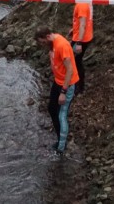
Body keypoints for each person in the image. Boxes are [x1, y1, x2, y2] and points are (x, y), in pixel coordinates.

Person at [34, 26, 78, 155]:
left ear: (48, 36)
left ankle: (61, 146)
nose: (42, 45)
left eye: (42, 42)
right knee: (52, 108)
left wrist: (63, 92)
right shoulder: (53, 42)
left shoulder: (61, 45)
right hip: (58, 81)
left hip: (67, 84)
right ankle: (59, 137)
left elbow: (70, 70)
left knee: (62, 114)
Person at [66, 0, 93, 95]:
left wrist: (78, 43)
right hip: (83, 35)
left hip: (81, 38)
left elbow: (83, 24)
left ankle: (79, 87)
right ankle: (77, 84)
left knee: (76, 62)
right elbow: (84, 20)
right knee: (75, 60)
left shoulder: (81, 4)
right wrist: (74, 29)